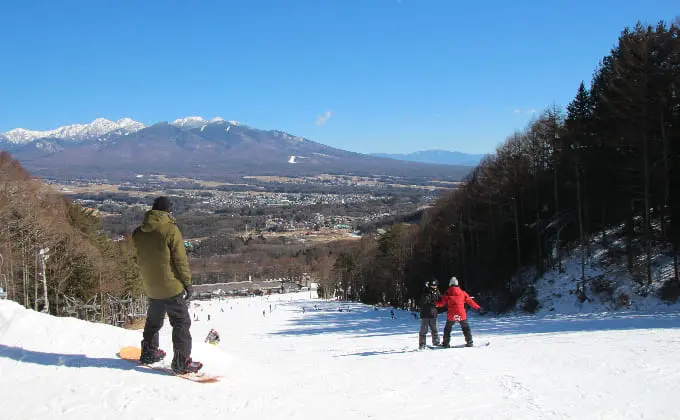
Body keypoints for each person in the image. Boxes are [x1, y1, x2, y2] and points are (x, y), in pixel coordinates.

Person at [132, 196, 202, 374]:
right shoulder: (170, 230)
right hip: (171, 285)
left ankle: (149, 352)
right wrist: (187, 283)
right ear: (169, 211)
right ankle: (181, 361)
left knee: (153, 321)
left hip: (151, 285)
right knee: (180, 322)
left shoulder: (138, 232)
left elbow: (138, 257)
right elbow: (180, 260)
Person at [436, 276, 481, 347]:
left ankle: (446, 343)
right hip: (461, 313)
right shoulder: (463, 293)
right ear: (457, 284)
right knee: (465, 327)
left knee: (448, 328)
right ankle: (469, 342)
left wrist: (435, 304)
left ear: (450, 284)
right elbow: (470, 301)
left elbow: (442, 303)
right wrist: (478, 307)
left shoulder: (447, 293)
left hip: (451, 314)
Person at [418, 279, 442, 349]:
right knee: (423, 330)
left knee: (435, 329)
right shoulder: (426, 292)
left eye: (435, 285)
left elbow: (440, 299)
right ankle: (422, 344)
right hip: (425, 314)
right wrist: (434, 303)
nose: (435, 287)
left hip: (433, 313)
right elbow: (425, 301)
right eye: (433, 285)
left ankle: (436, 342)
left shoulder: (437, 292)